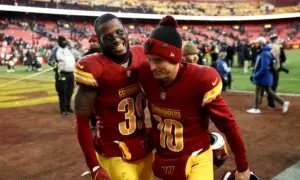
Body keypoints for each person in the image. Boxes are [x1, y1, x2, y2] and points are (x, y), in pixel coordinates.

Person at [138, 15, 251, 180]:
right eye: (149, 60)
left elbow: (228, 124)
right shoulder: (145, 74)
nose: (152, 66)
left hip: (196, 157)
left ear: (175, 58)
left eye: (158, 60)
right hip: (165, 159)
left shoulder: (199, 79)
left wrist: (242, 165)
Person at [73, 13, 153, 180]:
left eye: (119, 32)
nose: (116, 39)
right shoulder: (94, 67)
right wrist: (94, 166)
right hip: (114, 151)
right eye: (108, 37)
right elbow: (81, 120)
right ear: (100, 41)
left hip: (143, 145)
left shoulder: (141, 54)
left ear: (126, 32)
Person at [247, 36, 290, 114]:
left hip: (264, 76)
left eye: (257, 43)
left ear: (261, 44)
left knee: (258, 90)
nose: (256, 45)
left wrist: (256, 75)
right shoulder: (264, 52)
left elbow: (264, 68)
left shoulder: (265, 53)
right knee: (269, 91)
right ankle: (283, 103)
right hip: (266, 76)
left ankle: (256, 108)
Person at [48, 36, 75, 116]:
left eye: (65, 41)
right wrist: (55, 65)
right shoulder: (56, 50)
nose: (65, 42)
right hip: (61, 74)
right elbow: (50, 61)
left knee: (70, 91)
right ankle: (63, 109)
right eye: (63, 41)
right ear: (59, 42)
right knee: (62, 92)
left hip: (71, 73)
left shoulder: (68, 50)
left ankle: (68, 107)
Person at [82, 34, 102, 132]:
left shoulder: (105, 53)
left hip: (103, 84)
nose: (92, 43)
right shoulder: (85, 55)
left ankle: (103, 124)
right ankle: (93, 124)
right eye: (90, 42)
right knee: (90, 106)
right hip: (89, 84)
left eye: (94, 41)